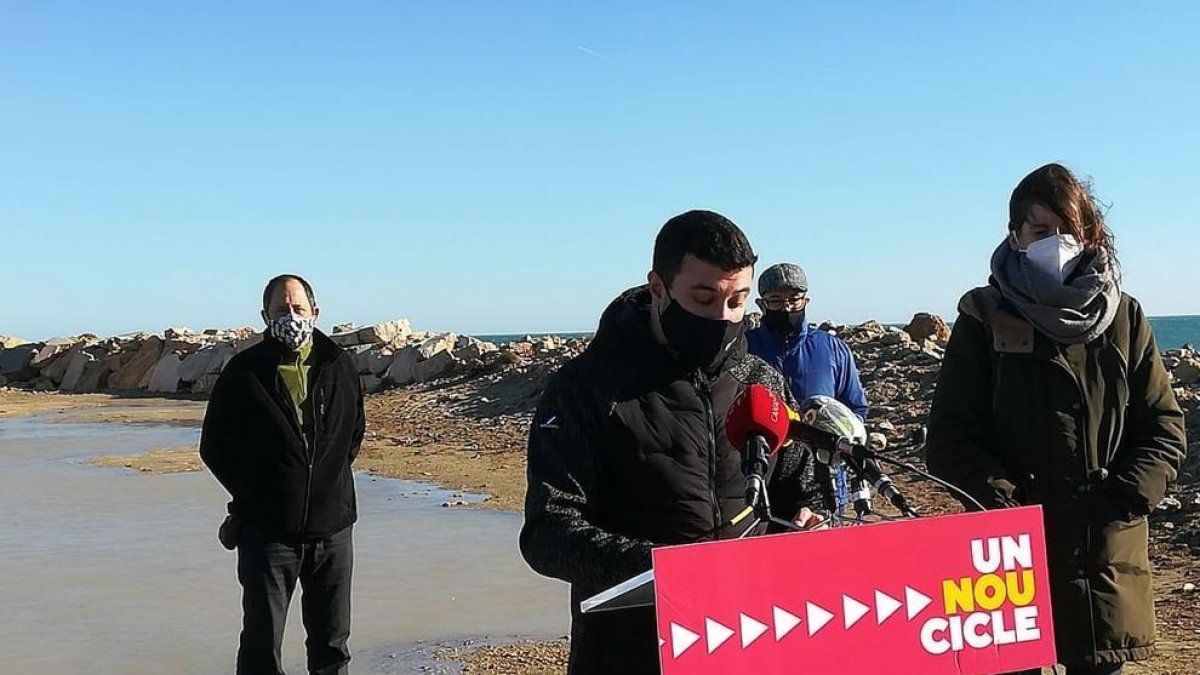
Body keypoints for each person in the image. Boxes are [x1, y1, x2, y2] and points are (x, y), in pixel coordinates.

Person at [519, 210, 822, 674]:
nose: (723, 317)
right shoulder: (585, 387)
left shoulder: (761, 383)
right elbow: (547, 531)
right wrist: (660, 569)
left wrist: (808, 520)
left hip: (749, 639)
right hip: (628, 651)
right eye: (704, 298)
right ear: (658, 287)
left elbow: (801, 489)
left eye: (738, 301)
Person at [926, 164, 1186, 675]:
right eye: (1041, 230)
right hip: (1009, 556)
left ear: (1088, 233)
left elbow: (1163, 426)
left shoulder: (1124, 317)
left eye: (1068, 229)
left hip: (1105, 553)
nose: (1058, 243)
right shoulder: (983, 318)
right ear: (1016, 236)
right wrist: (1005, 503)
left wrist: (1126, 496)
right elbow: (950, 439)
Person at [200, 274, 365, 675]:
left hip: (332, 529)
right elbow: (215, 447)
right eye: (281, 310)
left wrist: (325, 483)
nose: (290, 316)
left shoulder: (339, 365)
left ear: (315, 312)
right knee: (262, 643)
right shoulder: (244, 372)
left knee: (332, 645)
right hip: (267, 532)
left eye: (298, 308)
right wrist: (258, 495)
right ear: (265, 316)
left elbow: (354, 433)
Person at [746, 263, 869, 421]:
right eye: (776, 300)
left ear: (806, 301)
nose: (787, 308)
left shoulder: (834, 349)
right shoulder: (744, 348)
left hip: (819, 436)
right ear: (762, 304)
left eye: (794, 299)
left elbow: (855, 409)